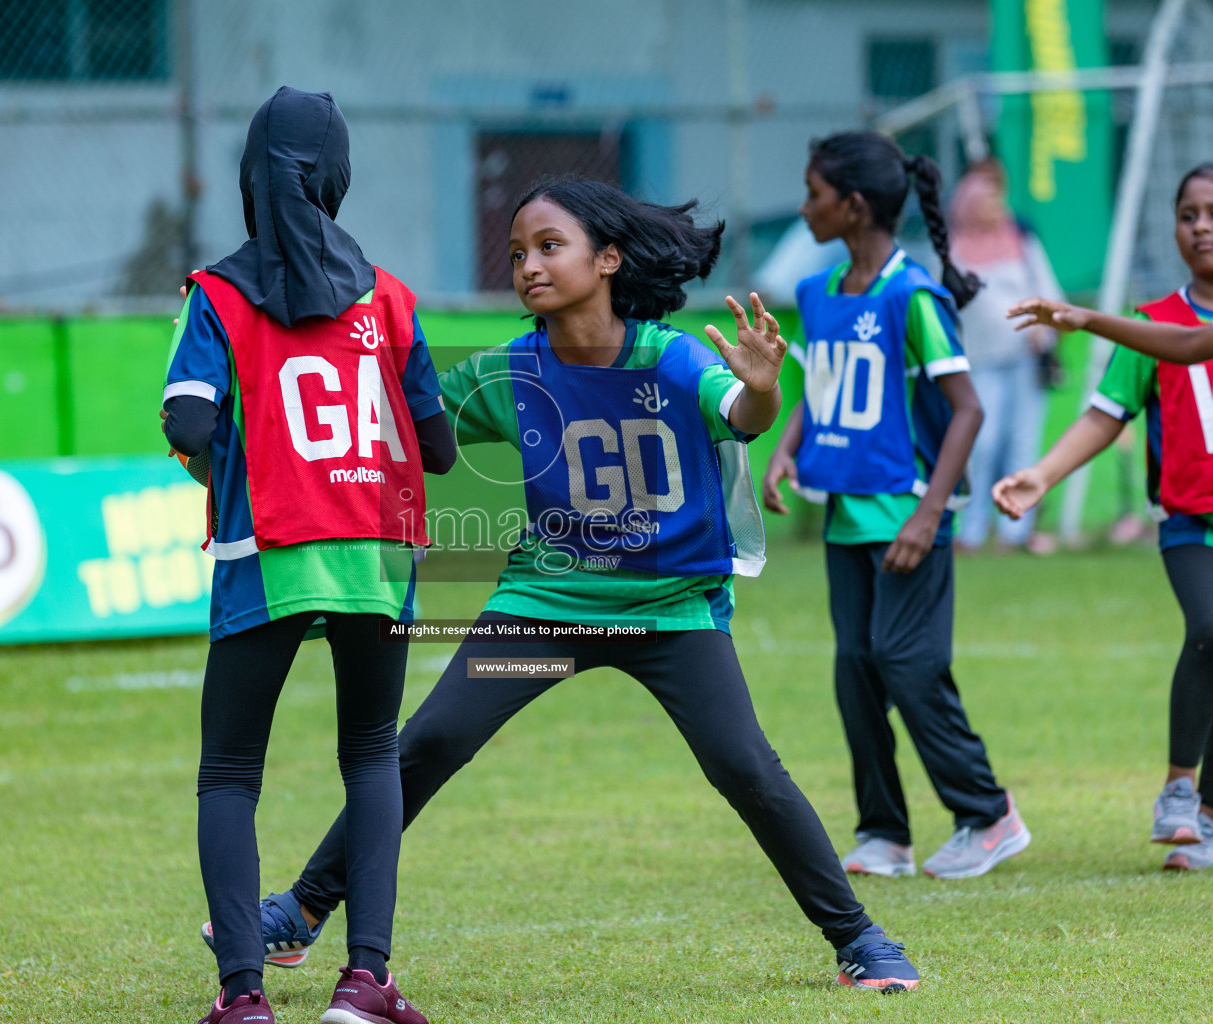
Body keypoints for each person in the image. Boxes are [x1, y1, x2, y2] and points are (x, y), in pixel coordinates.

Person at [204, 177, 926, 992]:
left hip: (668, 614)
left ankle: (859, 938)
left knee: (745, 767)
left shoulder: (672, 354)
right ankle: (301, 911)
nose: (529, 267)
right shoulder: (511, 369)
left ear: (608, 258)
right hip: (543, 611)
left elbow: (744, 417)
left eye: (550, 247)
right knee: (429, 742)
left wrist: (762, 384)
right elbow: (400, 417)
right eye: (517, 254)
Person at [162, 87, 456, 1024]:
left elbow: (190, 421)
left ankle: (244, 996)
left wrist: (241, 456)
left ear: (251, 175)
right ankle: (366, 984)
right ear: (336, 178)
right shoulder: (388, 295)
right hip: (375, 555)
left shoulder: (215, 295)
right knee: (371, 756)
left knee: (230, 775)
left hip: (266, 553)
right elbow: (439, 449)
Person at [1007, 174, 1213, 905]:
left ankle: (1209, 820)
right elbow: (1106, 414)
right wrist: (1042, 474)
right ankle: (1178, 785)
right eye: (1186, 214)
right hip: (1196, 519)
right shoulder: (1160, 323)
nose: (1200, 227)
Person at [763, 131, 1030, 881]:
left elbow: (967, 410)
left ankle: (988, 814)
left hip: (907, 513)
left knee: (908, 666)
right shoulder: (820, 295)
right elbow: (823, 387)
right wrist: (786, 449)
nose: (804, 205)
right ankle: (884, 832)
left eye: (814, 193)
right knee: (856, 670)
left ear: (851, 207)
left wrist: (928, 514)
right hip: (847, 514)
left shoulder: (911, 295)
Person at [948, 158, 1063, 554]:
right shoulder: (951, 247)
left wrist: (1043, 331)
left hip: (1025, 359)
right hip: (977, 361)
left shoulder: (1021, 238)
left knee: (1022, 443)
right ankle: (972, 529)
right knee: (982, 442)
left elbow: (1048, 291)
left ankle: (1015, 531)